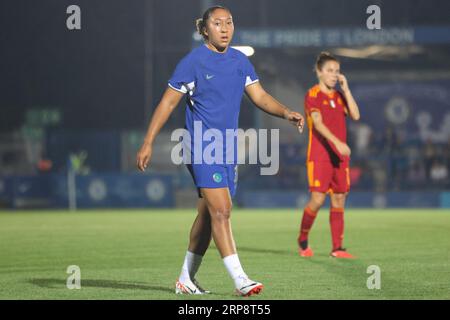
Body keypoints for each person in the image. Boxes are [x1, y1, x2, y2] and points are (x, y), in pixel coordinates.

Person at [136, 6, 304, 296]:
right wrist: (148, 141)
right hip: (201, 145)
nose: (225, 28)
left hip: (228, 149)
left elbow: (260, 96)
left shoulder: (240, 61)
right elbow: (167, 104)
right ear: (204, 29)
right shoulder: (193, 63)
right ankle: (241, 280)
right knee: (223, 211)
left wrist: (286, 111)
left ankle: (185, 279)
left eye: (229, 22)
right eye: (217, 23)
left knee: (207, 215)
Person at [297, 52, 360, 259]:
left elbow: (356, 115)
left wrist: (347, 89)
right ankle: (303, 238)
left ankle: (337, 248)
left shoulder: (340, 96)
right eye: (330, 71)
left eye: (337, 71)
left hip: (340, 156)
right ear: (319, 72)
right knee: (317, 200)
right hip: (320, 154)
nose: (334, 75)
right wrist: (338, 143)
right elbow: (318, 123)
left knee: (340, 198)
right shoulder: (313, 95)